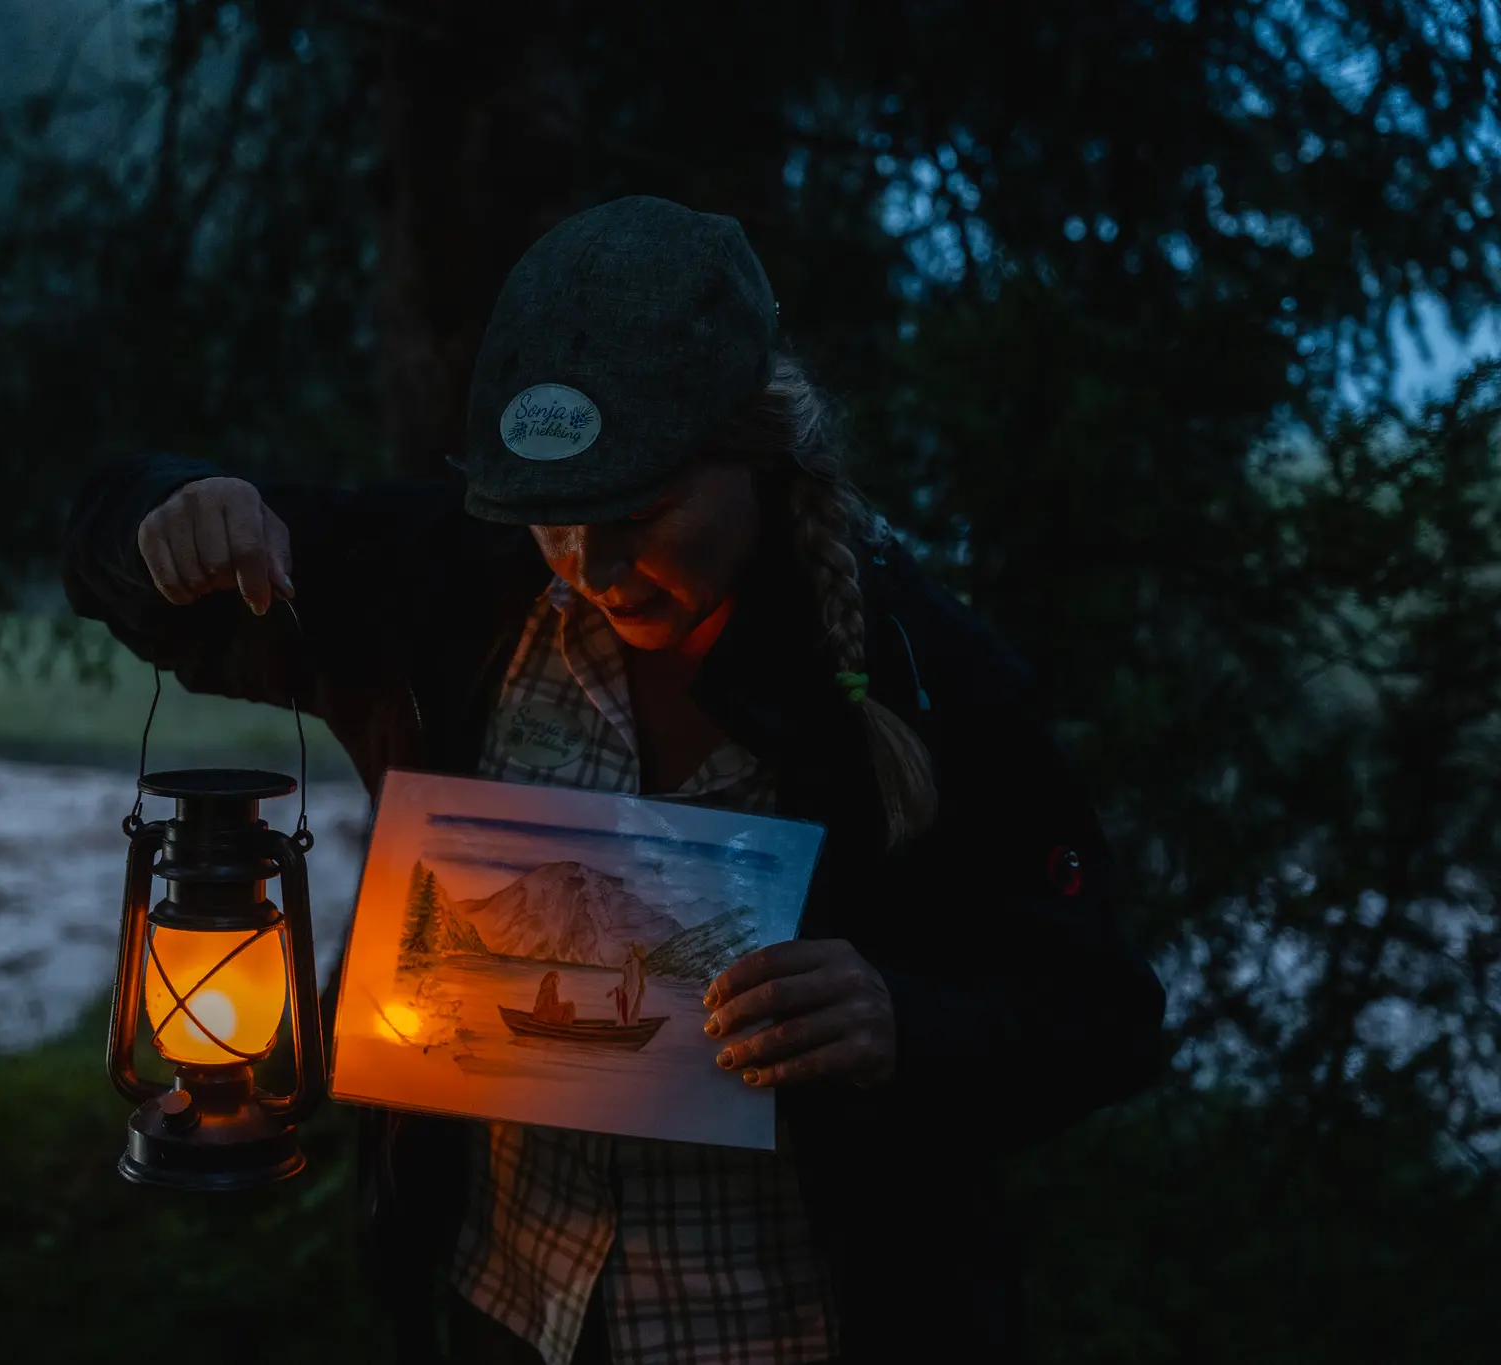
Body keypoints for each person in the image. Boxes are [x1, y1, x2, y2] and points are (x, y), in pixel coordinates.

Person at [63, 196, 1167, 1365]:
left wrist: (905, 1023)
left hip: (789, 1335)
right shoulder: (454, 592)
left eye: (639, 512)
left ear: (759, 453)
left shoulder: (914, 675)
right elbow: (133, 553)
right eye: (554, 519)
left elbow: (1101, 1014)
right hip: (508, 1313)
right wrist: (172, 514)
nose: (591, 566)